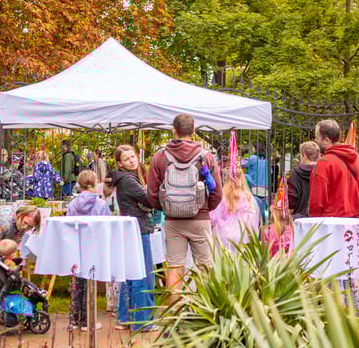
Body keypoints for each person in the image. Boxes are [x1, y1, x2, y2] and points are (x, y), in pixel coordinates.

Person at [148, 114, 223, 305]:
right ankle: (206, 314)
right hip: (200, 219)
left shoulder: (160, 156)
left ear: (174, 130)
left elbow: (152, 192)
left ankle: (175, 316)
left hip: (173, 221)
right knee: (205, 267)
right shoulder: (205, 156)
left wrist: (166, 208)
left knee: (174, 268)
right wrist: (204, 209)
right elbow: (217, 191)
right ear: (194, 131)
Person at [105, 145, 156, 332]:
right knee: (143, 275)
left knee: (128, 275)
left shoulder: (123, 178)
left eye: (133, 157)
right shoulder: (128, 180)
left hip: (130, 229)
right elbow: (148, 200)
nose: (132, 161)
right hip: (138, 228)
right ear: (120, 163)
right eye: (127, 159)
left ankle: (125, 318)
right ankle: (142, 321)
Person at [65, 170, 111, 330]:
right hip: (94, 246)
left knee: (77, 282)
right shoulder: (101, 204)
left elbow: (67, 225)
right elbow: (108, 225)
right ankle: (88, 320)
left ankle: (74, 319)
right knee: (90, 281)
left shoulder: (72, 204)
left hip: (77, 245)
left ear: (78, 184)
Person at [308, 119, 359, 218]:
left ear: (327, 140)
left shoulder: (323, 163)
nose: (316, 141)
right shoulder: (357, 158)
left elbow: (317, 201)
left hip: (330, 222)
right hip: (353, 219)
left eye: (317, 138)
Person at [209, 165, 260, 251]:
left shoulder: (222, 197)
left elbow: (213, 217)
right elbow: (254, 220)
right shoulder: (249, 198)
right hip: (243, 238)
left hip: (224, 236)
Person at [287, 141, 318, 220]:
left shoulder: (295, 173)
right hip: (318, 218)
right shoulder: (322, 171)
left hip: (299, 218)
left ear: (304, 156)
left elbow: (291, 198)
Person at [243, 143, 269, 217]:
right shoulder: (266, 160)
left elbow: (239, 164)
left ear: (256, 149)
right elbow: (270, 172)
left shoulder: (253, 158)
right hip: (265, 189)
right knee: (263, 211)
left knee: (254, 211)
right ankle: (263, 226)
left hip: (254, 188)